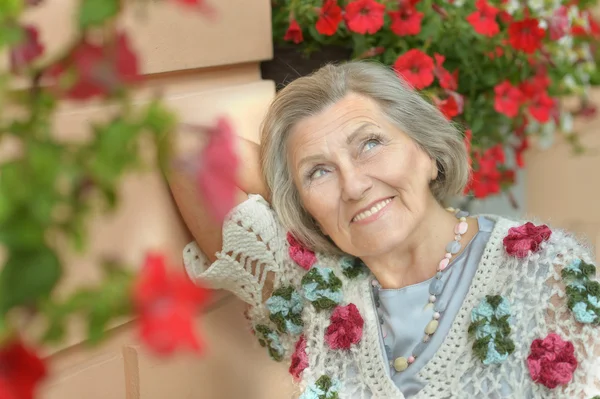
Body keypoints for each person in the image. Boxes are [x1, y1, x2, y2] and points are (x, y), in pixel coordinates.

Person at [169, 61, 600, 399]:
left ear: (429, 153)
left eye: (370, 144)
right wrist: (305, 204)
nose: (354, 184)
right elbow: (183, 149)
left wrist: (323, 189)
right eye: (319, 171)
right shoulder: (312, 290)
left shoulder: (545, 272)